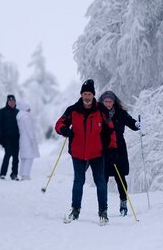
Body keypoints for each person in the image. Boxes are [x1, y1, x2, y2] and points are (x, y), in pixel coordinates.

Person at [55, 79, 116, 225]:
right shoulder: (73, 110)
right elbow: (59, 124)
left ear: (93, 95)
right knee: (78, 181)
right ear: (81, 94)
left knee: (100, 182)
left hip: (97, 153)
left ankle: (103, 212)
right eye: (85, 94)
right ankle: (75, 210)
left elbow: (111, 129)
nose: (87, 97)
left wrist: (112, 147)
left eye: (89, 94)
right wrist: (64, 130)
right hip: (78, 153)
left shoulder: (101, 110)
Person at [99, 90, 139, 216]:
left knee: (120, 177)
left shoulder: (120, 113)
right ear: (102, 102)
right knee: (102, 178)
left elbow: (130, 122)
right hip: (103, 149)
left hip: (119, 149)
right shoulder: (98, 113)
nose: (108, 104)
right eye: (106, 101)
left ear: (114, 101)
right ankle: (103, 206)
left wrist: (137, 124)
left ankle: (123, 203)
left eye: (110, 101)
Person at [0, 94, 19, 180]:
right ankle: (2, 173)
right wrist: (0, 136)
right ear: (7, 102)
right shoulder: (2, 112)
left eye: (13, 101)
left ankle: (14, 174)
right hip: (6, 138)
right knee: (8, 154)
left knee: (16, 156)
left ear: (15, 102)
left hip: (16, 138)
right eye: (10, 101)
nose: (12, 103)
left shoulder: (18, 112)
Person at [16, 101, 40, 180]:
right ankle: (25, 174)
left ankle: (22, 173)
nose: (30, 110)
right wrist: (33, 139)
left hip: (22, 139)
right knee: (29, 157)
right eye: (28, 109)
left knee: (24, 157)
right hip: (27, 140)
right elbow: (29, 130)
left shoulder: (19, 117)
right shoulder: (26, 117)